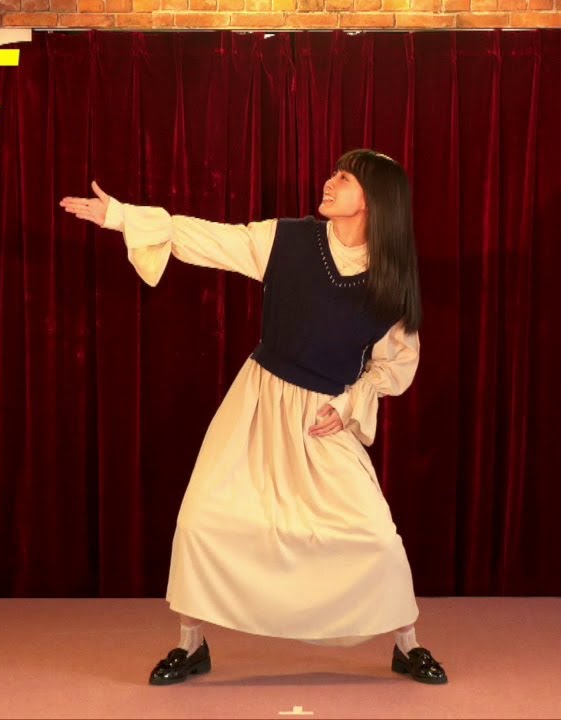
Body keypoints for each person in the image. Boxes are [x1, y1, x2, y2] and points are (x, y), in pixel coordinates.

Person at [60, 149, 447, 686]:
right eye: (335, 173)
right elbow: (212, 239)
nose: (330, 181)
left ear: (373, 200)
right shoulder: (288, 240)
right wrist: (122, 217)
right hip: (258, 404)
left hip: (321, 419)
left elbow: (394, 365)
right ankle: (191, 644)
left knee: (376, 536)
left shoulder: (390, 284)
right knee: (201, 520)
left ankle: (407, 644)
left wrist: (348, 404)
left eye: (344, 178)